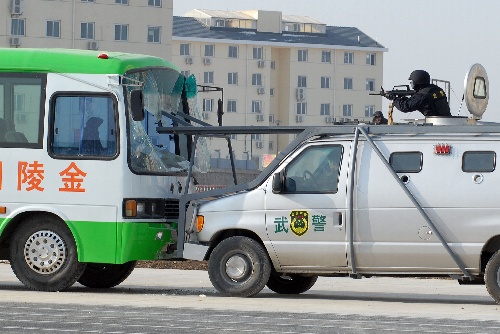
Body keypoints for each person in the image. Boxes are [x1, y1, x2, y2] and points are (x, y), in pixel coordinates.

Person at [387, 70, 451, 117]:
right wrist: (404, 99)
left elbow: (405, 107)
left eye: (412, 82)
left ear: (417, 81)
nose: (411, 84)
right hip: (447, 120)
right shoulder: (437, 89)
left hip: (436, 124)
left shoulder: (423, 95)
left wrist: (394, 99)